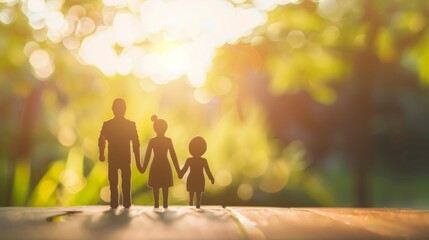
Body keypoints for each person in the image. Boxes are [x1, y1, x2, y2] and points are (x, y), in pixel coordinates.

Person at [98, 98, 140, 209]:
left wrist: (101, 154)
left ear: (113, 109)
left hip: (116, 157)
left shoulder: (108, 125)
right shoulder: (130, 125)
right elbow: (136, 144)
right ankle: (124, 202)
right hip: (123, 158)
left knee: (115, 181)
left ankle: (116, 202)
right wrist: (101, 154)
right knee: (120, 181)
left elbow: (101, 140)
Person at [141, 115, 180, 209]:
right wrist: (178, 170)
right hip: (165, 165)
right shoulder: (167, 141)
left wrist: (143, 168)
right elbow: (173, 156)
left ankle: (157, 204)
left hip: (156, 165)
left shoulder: (153, 141)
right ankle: (163, 204)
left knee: (157, 186)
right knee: (163, 186)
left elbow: (147, 156)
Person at [179, 136, 214, 209]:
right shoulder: (202, 161)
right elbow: (208, 171)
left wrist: (181, 174)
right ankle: (193, 205)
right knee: (195, 194)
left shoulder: (192, 160)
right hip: (198, 179)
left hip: (193, 178)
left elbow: (207, 171)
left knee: (195, 194)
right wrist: (211, 178)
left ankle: (194, 205)